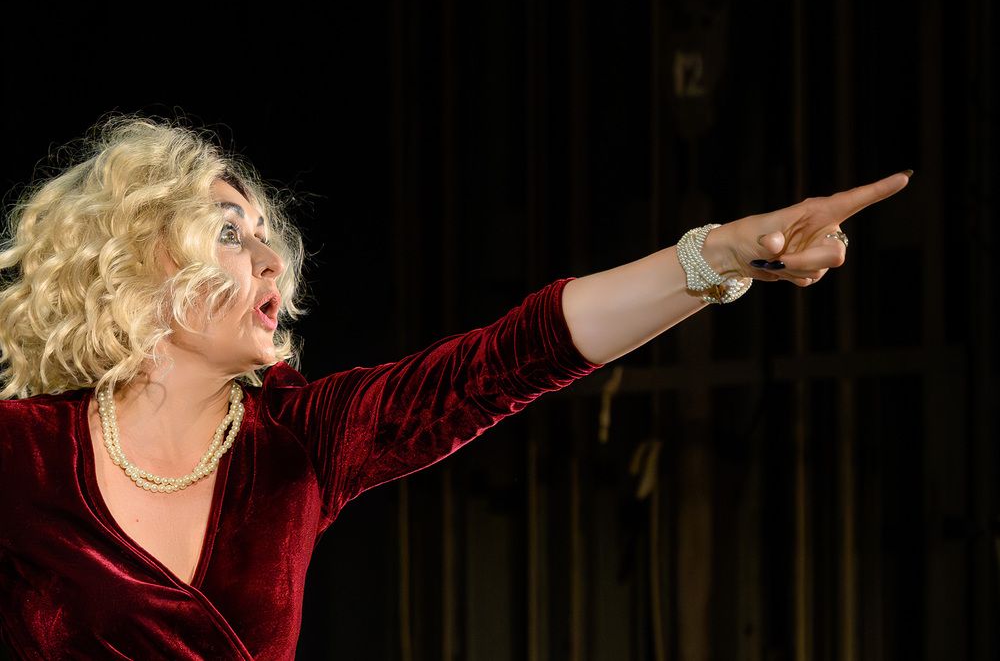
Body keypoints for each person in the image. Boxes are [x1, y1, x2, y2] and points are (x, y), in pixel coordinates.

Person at [0, 114, 909, 659]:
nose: (272, 257)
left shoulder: (301, 442)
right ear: (138, 262)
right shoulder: (21, 454)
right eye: (229, 232)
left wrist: (721, 255)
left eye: (267, 232)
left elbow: (515, 356)